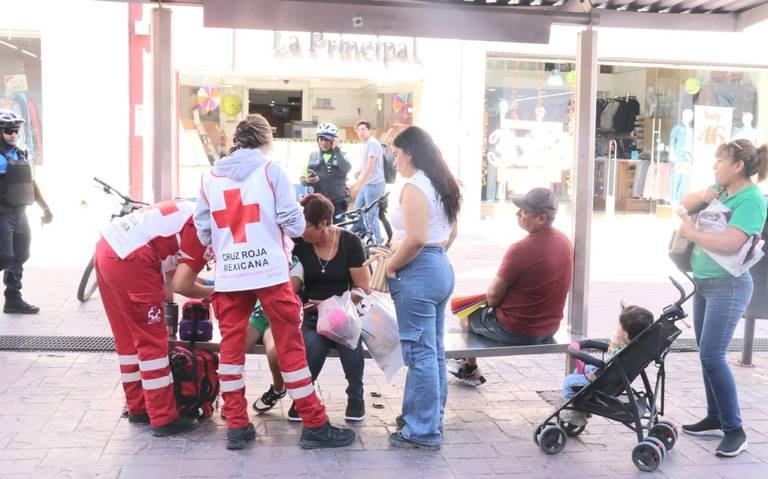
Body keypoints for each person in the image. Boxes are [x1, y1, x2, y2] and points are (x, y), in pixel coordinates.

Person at [193, 114, 355, 450]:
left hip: (230, 275)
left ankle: (237, 425)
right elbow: (293, 224)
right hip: (270, 273)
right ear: (266, 140)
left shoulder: (210, 178)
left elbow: (204, 229)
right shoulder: (271, 172)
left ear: (236, 141)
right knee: (290, 347)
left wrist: (226, 248)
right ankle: (314, 423)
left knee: (231, 350)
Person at [676, 139, 768, 458]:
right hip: (704, 283)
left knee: (713, 355)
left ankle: (735, 430)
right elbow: (682, 204)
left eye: (720, 161)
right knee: (706, 353)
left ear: (738, 165)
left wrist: (692, 234)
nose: (715, 166)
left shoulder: (751, 200)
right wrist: (703, 195)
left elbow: (730, 243)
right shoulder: (721, 189)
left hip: (728, 287)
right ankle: (715, 416)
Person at [95, 199, 209, 437]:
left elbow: (172, 268)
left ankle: (138, 407)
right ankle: (163, 417)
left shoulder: (190, 208)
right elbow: (181, 285)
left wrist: (205, 283)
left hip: (108, 248)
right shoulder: (204, 226)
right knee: (152, 340)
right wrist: (216, 292)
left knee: (127, 340)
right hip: (133, 260)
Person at [385, 126, 460, 450]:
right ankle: (428, 418)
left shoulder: (414, 187)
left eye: (396, 153)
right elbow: (450, 234)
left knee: (420, 354)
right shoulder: (442, 183)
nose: (394, 159)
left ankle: (422, 429)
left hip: (418, 269)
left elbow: (415, 239)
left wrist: (390, 266)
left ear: (410, 153)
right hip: (440, 264)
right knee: (433, 351)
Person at [451, 187, 573, 385]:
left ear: (541, 218)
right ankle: (469, 367)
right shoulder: (564, 241)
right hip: (550, 326)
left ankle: (470, 369)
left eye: (524, 211)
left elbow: (493, 297)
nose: (518, 214)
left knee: (464, 314)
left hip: (518, 330)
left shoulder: (521, 248)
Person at [288, 193, 371, 423]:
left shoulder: (349, 242)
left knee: (350, 346)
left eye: (306, 226)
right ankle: (303, 399)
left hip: (343, 312)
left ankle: (356, 396)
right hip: (312, 315)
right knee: (312, 346)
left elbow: (363, 288)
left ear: (323, 223)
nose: (301, 231)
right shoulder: (299, 245)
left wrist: (330, 304)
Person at [560, 304, 654, 426]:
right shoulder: (635, 347)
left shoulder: (620, 350)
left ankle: (574, 413)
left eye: (618, 326)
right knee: (585, 369)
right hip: (616, 379)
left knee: (569, 382)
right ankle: (582, 408)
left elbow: (608, 362)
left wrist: (614, 345)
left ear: (625, 334)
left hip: (604, 383)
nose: (617, 328)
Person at [0, 109, 52, 314]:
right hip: (2, 213)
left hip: (20, 213)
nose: (13, 134)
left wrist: (46, 208)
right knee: (4, 255)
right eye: (8, 130)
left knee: (20, 255)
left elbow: (31, 184)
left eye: (16, 130)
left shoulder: (22, 154)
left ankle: (12, 299)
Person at [246, 257, 304, 414]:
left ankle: (278, 388)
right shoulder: (261, 257)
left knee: (274, 352)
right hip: (259, 314)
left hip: (280, 315)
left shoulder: (296, 264)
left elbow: (289, 291)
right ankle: (233, 399)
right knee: (235, 346)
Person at [300, 122, 352, 221]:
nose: (324, 142)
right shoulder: (312, 156)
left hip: (338, 205)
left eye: (327, 139)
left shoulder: (343, 155)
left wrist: (337, 150)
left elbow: (346, 168)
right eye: (321, 139)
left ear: (334, 140)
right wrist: (307, 180)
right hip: (318, 204)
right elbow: (302, 179)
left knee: (339, 233)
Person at [350, 121, 385, 245]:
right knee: (357, 210)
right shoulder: (365, 145)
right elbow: (365, 165)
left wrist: (358, 184)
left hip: (374, 185)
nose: (360, 132)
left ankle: (377, 242)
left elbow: (370, 166)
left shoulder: (372, 143)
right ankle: (361, 231)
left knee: (371, 214)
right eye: (358, 130)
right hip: (366, 184)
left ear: (369, 130)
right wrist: (359, 171)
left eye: (363, 129)